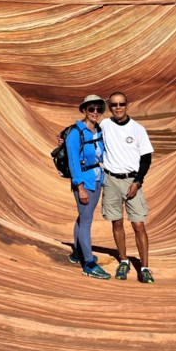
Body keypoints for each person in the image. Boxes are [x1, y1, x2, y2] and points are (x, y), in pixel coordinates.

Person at [98, 92, 155, 283]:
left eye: (121, 104)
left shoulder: (138, 129)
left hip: (132, 181)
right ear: (109, 107)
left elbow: (146, 158)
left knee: (138, 224)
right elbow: (84, 128)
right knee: (117, 222)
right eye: (114, 105)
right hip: (111, 179)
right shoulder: (105, 125)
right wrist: (64, 138)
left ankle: (145, 267)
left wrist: (137, 182)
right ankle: (124, 261)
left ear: (127, 105)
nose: (118, 107)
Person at [66, 94, 111, 279]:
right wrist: (80, 187)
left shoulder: (98, 130)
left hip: (97, 179)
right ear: (84, 110)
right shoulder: (76, 132)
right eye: (91, 109)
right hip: (84, 182)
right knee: (86, 222)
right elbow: (73, 161)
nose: (95, 112)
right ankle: (89, 264)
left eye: (98, 109)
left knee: (83, 217)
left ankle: (77, 253)